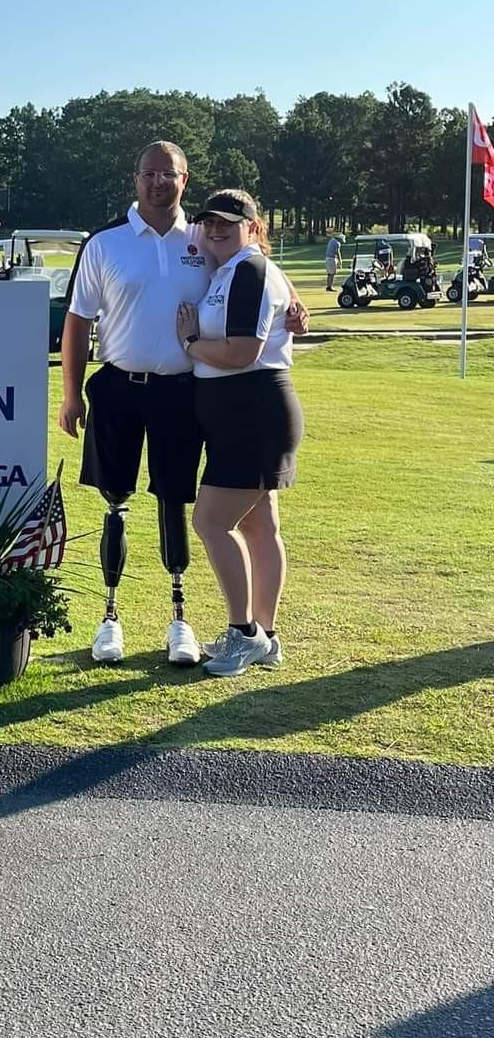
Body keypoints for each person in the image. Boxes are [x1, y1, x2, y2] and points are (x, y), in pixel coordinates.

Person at [60, 140, 308, 666]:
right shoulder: (105, 244)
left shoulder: (200, 235)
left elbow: (257, 261)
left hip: (185, 395)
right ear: (135, 178)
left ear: (183, 179)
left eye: (167, 174)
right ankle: (111, 617)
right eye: (148, 173)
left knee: (180, 502)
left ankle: (184, 620)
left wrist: (295, 304)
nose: (156, 183)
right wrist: (70, 394)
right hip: (120, 387)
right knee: (116, 501)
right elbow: (78, 321)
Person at [175, 188, 303, 677]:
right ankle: (265, 637)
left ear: (254, 226)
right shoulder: (231, 265)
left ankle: (244, 632)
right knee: (258, 525)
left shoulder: (248, 269)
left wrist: (190, 342)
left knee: (210, 522)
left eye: (229, 222)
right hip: (243, 413)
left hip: (252, 413)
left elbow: (241, 351)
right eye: (209, 222)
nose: (215, 229)